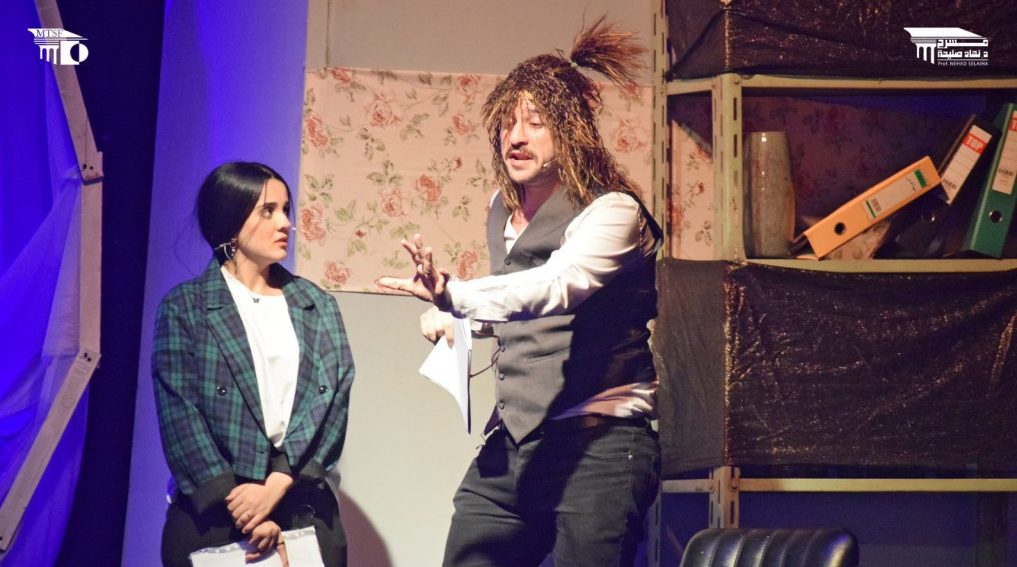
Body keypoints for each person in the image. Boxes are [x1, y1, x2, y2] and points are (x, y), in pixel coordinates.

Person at [378, 18, 662, 566]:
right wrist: (459, 321)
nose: (516, 137)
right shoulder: (501, 209)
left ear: (572, 130)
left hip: (599, 444)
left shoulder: (613, 211)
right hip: (513, 443)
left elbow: (558, 286)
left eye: (535, 123)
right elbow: (520, 304)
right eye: (507, 123)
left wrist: (457, 296)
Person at [153, 162, 354, 566]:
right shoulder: (186, 307)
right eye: (268, 211)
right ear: (230, 221)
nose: (285, 223)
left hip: (300, 503)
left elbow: (333, 398)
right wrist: (245, 509)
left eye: (286, 209)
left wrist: (276, 485)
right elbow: (181, 415)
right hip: (215, 511)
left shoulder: (317, 306)